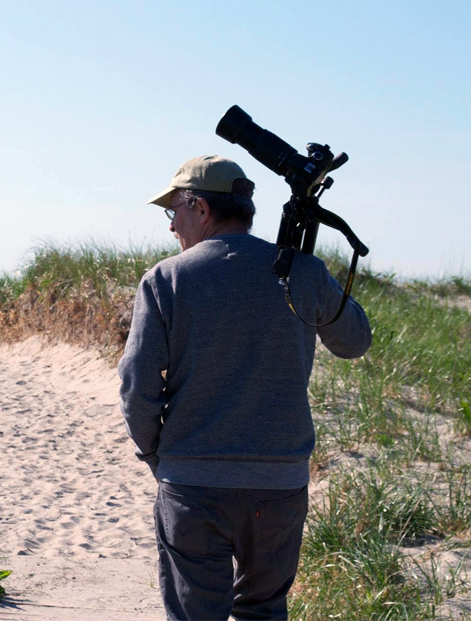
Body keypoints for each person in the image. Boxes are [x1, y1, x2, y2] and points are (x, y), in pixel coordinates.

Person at [118, 155, 372, 620]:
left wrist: (158, 456)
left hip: (192, 483)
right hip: (278, 484)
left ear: (200, 208)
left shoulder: (166, 279)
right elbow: (355, 342)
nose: (171, 225)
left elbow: (136, 386)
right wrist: (312, 276)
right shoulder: (300, 271)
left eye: (173, 210)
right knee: (263, 611)